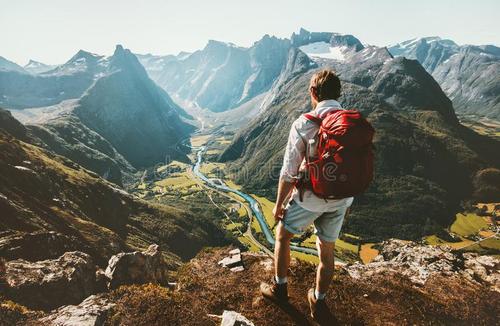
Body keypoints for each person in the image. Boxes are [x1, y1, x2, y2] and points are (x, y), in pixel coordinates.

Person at [260, 69, 353, 323]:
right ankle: (319, 301)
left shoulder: (304, 124)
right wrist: (348, 200)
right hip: (343, 197)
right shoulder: (350, 123)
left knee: (282, 234)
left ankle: (280, 289)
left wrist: (278, 206)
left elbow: (289, 173)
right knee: (327, 250)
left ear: (313, 93)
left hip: (310, 198)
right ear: (338, 94)